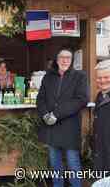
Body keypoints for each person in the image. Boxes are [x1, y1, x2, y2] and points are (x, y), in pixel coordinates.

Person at [36, 49, 89, 187]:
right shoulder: (48, 76)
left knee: (72, 162)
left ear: (71, 61)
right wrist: (45, 114)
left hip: (69, 126)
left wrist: (56, 114)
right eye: (62, 57)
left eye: (68, 58)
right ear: (57, 60)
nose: (65, 60)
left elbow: (82, 99)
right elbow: (40, 99)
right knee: (54, 163)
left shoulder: (80, 76)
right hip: (51, 126)